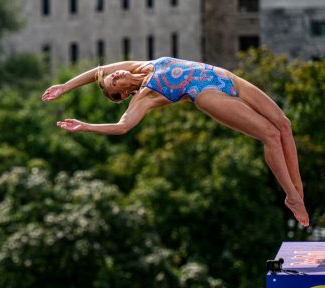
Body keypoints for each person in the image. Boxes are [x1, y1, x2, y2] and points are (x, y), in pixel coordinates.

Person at [42, 57, 309, 226]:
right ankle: (290, 194)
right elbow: (123, 127)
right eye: (114, 83)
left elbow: (97, 70)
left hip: (224, 76)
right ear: (123, 93)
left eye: (113, 76)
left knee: (284, 125)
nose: (114, 75)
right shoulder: (144, 97)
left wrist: (64, 87)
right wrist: (86, 126)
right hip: (207, 92)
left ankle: (298, 195)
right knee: (270, 134)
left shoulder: (140, 65)